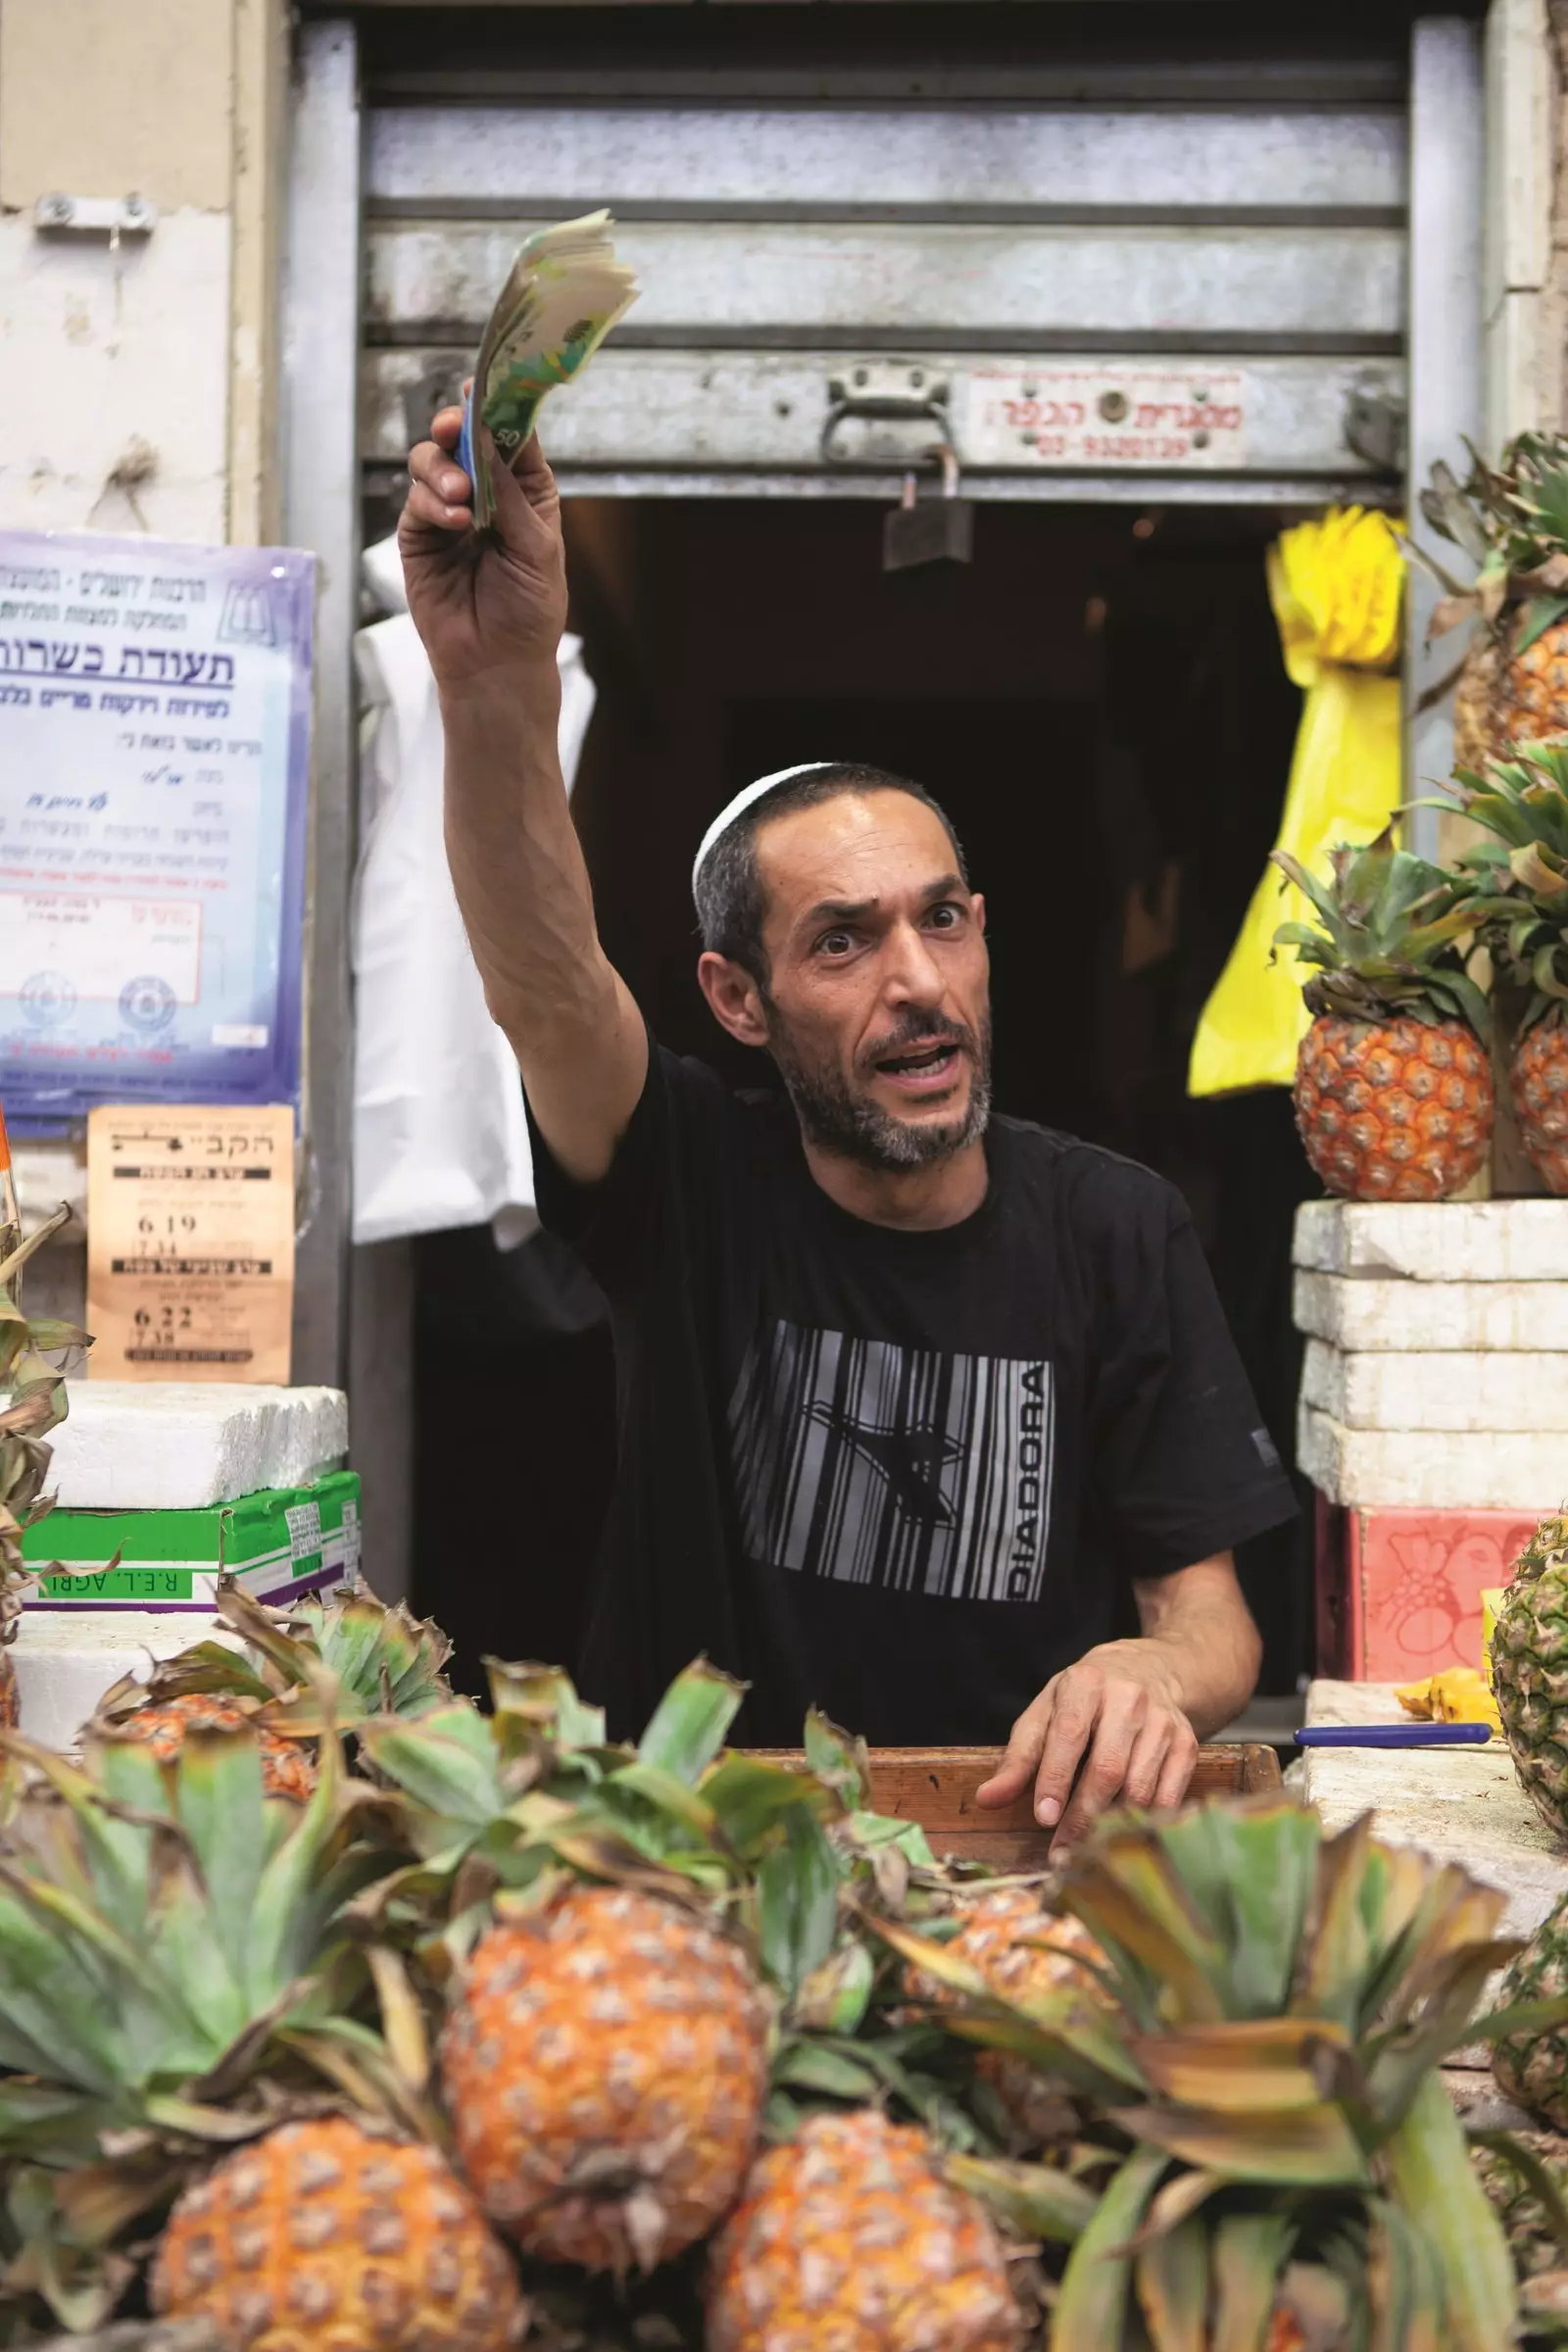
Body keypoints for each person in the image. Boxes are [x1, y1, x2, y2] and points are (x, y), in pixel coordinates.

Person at [400, 410, 1296, 1847]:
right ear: (737, 1000)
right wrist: (495, 679)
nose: (919, 985)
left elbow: (1212, 1625)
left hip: (1005, 1874)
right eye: (843, 943)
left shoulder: (1117, 1229)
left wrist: (1153, 1672)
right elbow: (551, 985)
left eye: (942, 920)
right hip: (697, 1871)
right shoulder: (689, 1181)